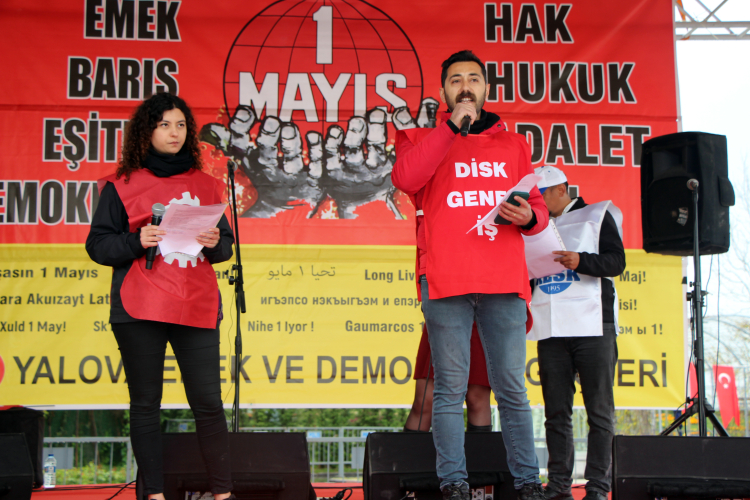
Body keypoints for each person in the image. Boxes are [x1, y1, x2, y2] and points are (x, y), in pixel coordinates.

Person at [392, 49, 549, 500]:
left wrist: (527, 217)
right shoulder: (419, 137)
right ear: (444, 91)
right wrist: (449, 130)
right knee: (449, 388)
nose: (465, 86)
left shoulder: (514, 144)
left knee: (512, 389)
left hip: (503, 279)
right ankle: (454, 483)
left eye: (474, 79)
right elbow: (406, 178)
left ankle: (527, 482)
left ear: (485, 88)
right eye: (456, 80)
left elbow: (538, 208)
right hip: (446, 280)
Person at [86, 93, 235, 500]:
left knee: (208, 402)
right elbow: (98, 246)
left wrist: (214, 241)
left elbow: (225, 248)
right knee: (146, 403)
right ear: (146, 131)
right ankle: (153, 494)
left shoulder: (206, 184)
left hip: (196, 303)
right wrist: (136, 240)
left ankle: (224, 494)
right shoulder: (121, 185)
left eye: (181, 125)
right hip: (141, 306)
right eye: (164, 124)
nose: (174, 132)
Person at [527, 166, 626, 500]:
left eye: (541, 195)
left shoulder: (597, 215)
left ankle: (598, 487)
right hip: (551, 327)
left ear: (561, 189)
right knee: (556, 412)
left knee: (599, 410)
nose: (538, 202)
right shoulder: (534, 226)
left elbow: (616, 263)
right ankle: (558, 485)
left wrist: (580, 260)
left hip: (593, 325)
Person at [404, 324, 492, 432]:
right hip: (444, 320)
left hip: (481, 321)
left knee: (476, 400)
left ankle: (478, 444)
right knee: (425, 402)